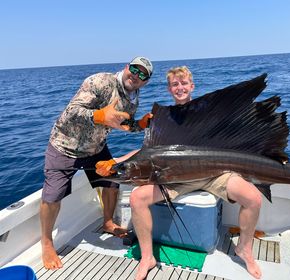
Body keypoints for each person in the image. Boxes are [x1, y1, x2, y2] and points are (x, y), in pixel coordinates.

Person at [96, 66, 263, 279]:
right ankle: (148, 257)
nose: (180, 87)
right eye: (175, 84)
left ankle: (244, 249)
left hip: (214, 174)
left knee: (253, 198)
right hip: (175, 177)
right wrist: (115, 160)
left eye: (184, 83)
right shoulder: (163, 118)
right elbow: (147, 152)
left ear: (192, 86)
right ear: (169, 89)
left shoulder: (206, 113)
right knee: (138, 197)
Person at [40, 56, 154, 270]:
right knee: (53, 194)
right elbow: (71, 112)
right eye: (135, 70)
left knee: (112, 182)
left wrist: (140, 124)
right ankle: (46, 242)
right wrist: (98, 116)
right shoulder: (100, 81)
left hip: (96, 147)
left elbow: (123, 123)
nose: (136, 76)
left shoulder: (133, 98)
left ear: (146, 82)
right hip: (65, 145)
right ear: (126, 67)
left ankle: (108, 222)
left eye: (143, 75)